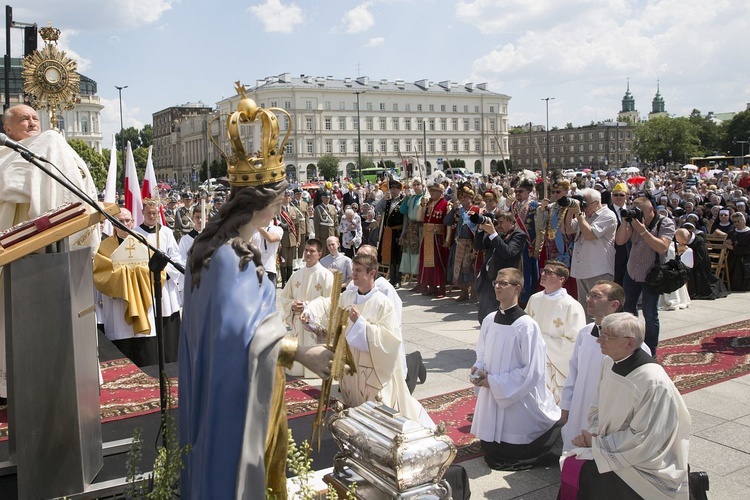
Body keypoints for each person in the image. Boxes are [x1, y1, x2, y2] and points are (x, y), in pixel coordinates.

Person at [178, 173, 334, 499]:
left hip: (232, 383)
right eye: (277, 203)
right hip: (237, 392)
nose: (279, 210)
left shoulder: (215, 249)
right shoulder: (227, 259)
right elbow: (239, 335)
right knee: (236, 472)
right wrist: (302, 353)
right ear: (259, 205)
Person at [0, 104, 101, 400]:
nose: (32, 123)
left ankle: (72, 376)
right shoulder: (6, 157)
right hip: (21, 260)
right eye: (23, 119)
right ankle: (12, 387)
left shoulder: (55, 150)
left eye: (34, 118)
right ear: (7, 129)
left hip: (65, 253)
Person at [567, 313, 691, 499]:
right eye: (601, 332)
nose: (599, 339)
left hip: (644, 459)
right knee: (574, 465)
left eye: (607, 337)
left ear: (630, 343)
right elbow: (597, 405)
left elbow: (645, 437)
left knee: (586, 474)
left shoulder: (652, 381)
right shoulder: (609, 361)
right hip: (611, 443)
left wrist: (596, 443)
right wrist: (593, 434)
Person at [302, 253, 434, 427]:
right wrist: (309, 311)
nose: (353, 274)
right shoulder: (348, 297)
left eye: (358, 270)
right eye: (353, 270)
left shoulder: (382, 303)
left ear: (372, 273)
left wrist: (362, 324)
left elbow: (390, 341)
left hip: (372, 372)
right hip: (351, 370)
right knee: (355, 412)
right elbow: (329, 306)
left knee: (377, 418)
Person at [470, 267, 562, 471]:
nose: (497, 286)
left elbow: (533, 370)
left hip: (516, 395)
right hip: (492, 386)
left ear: (517, 288)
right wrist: (478, 369)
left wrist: (494, 382)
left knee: (512, 446)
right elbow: (482, 352)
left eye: (503, 283)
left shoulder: (526, 326)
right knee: (491, 444)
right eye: (496, 282)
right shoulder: (489, 319)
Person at [560, 281, 629, 453]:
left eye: (596, 296)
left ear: (614, 305)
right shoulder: (585, 333)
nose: (589, 299)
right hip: (580, 404)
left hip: (607, 409)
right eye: (589, 294)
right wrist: (566, 405)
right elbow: (573, 371)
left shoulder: (627, 340)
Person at [93, 208, 159, 367]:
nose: (124, 224)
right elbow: (101, 274)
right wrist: (128, 274)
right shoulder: (104, 246)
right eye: (119, 221)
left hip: (143, 305)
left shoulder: (144, 242)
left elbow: (158, 271)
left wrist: (133, 272)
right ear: (113, 224)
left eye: (127, 220)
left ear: (133, 222)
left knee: (146, 359)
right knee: (122, 359)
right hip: (117, 308)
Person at [615, 196, 675, 356]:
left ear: (651, 210)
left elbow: (662, 247)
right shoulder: (634, 222)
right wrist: (626, 221)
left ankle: (650, 350)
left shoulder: (665, 222)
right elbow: (620, 241)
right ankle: (631, 344)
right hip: (632, 272)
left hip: (651, 274)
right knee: (628, 310)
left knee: (650, 313)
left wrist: (642, 230)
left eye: (640, 210)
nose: (637, 213)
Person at [525, 260, 586, 404]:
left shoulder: (572, 305)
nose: (544, 274)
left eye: (549, 272)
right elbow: (525, 326)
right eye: (543, 271)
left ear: (561, 279)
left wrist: (540, 340)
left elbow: (574, 342)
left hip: (555, 363)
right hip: (532, 356)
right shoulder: (534, 298)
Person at [135, 199, 185, 363]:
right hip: (144, 285)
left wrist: (165, 273)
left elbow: (176, 258)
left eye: (154, 213)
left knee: (167, 323)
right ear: (142, 212)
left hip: (165, 286)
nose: (151, 216)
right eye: (148, 212)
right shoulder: (136, 234)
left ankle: (171, 360)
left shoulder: (166, 233)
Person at [278, 238, 333, 376]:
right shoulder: (297, 274)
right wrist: (292, 305)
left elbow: (331, 301)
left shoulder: (326, 275)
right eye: (306, 250)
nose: (308, 254)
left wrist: (309, 307)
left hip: (313, 325)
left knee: (312, 374)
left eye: (312, 251)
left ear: (319, 254)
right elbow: (284, 297)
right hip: (297, 324)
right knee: (293, 373)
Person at [566, 188, 617, 320]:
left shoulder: (607, 215)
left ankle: (603, 336)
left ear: (596, 202)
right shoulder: (584, 216)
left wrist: (578, 214)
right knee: (585, 309)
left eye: (585, 203)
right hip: (582, 269)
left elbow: (590, 235)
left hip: (598, 270)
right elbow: (567, 229)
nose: (583, 206)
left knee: (600, 310)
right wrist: (569, 210)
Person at [474, 211, 525, 324]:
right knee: (483, 316)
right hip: (487, 279)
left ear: (511, 222)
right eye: (497, 223)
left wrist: (493, 233)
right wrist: (482, 230)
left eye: (501, 222)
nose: (499, 226)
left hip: (503, 282)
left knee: (495, 317)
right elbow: (478, 245)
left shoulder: (519, 235)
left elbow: (508, 253)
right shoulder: (498, 234)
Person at [444, 184, 479, 302]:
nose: (463, 199)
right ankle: (463, 292)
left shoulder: (477, 210)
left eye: (465, 197)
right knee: (458, 271)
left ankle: (473, 292)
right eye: (461, 197)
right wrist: (453, 209)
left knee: (469, 270)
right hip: (458, 244)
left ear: (471, 198)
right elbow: (447, 221)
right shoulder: (458, 210)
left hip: (470, 244)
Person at [510, 171, 540, 306]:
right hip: (515, 244)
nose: (517, 194)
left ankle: (529, 300)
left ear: (528, 192)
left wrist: (537, 245)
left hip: (529, 244)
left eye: (521, 191)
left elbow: (539, 229)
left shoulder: (534, 206)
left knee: (529, 273)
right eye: (516, 191)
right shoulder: (513, 206)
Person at [674, 227, 726, 300]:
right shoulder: (682, 240)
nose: (681, 243)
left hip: (700, 266)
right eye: (679, 242)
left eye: (683, 241)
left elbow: (699, 257)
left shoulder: (699, 241)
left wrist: (687, 249)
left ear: (689, 236)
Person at [419, 182, 450, 297]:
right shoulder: (429, 203)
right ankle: (431, 286)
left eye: (434, 191)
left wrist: (447, 239)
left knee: (439, 263)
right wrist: (422, 207)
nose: (432, 193)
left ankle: (441, 288)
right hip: (427, 236)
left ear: (440, 192)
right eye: (431, 191)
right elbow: (422, 218)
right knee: (428, 263)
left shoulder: (446, 204)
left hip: (438, 236)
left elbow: (449, 224)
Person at [377, 179, 405, 288]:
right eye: (391, 189)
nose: (393, 191)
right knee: (390, 256)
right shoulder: (387, 201)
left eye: (395, 189)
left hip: (398, 231)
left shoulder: (403, 201)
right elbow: (377, 208)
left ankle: (398, 279)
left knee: (397, 256)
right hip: (388, 232)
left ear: (399, 190)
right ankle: (392, 278)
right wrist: (384, 198)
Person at [399, 178, 425, 281]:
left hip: (420, 227)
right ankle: (414, 274)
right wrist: (406, 198)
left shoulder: (425, 197)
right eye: (414, 185)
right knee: (411, 251)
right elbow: (402, 210)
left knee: (419, 251)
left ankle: (420, 277)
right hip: (411, 227)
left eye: (418, 184)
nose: (416, 186)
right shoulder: (412, 198)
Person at [609, 182, 630, 286]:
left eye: (621, 195)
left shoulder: (632, 210)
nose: (618, 197)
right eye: (615, 195)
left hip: (631, 253)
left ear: (626, 196)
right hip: (614, 254)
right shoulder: (607, 211)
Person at [250, 219, 283, 286]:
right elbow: (248, 243)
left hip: (269, 269)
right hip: (254, 269)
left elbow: (271, 239)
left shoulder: (276, 229)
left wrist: (258, 227)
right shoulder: (253, 230)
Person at [278, 191, 299, 287]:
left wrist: (298, 239)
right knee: (283, 261)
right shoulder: (278, 210)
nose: (287, 198)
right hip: (283, 239)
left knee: (290, 260)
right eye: (285, 196)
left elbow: (297, 225)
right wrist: (279, 242)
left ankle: (289, 280)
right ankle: (284, 281)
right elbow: (277, 226)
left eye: (288, 196)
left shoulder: (294, 210)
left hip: (292, 239)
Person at [726, 212, 750, 290]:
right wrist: (726, 243)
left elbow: (748, 249)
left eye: (739, 221)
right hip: (733, 258)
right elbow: (727, 245)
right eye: (734, 222)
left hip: (747, 257)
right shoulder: (732, 232)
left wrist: (733, 248)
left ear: (744, 221)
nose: (737, 223)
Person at [313, 190, 337, 255]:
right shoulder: (318, 208)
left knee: (332, 251)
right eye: (325, 197)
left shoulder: (333, 208)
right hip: (322, 234)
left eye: (328, 198)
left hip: (331, 233)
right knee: (323, 252)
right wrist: (317, 236)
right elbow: (316, 223)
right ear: (322, 198)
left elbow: (336, 222)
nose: (327, 199)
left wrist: (337, 234)